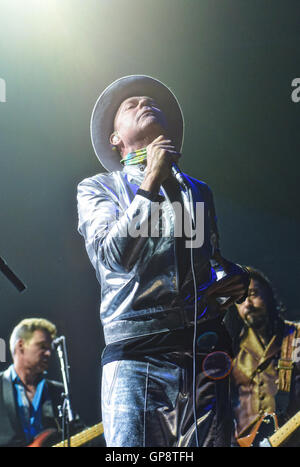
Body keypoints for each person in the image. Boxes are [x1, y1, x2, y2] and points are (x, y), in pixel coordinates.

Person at [77, 75, 249, 447]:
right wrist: (151, 180)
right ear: (115, 139)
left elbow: (207, 260)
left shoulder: (197, 190)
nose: (145, 103)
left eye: (151, 101)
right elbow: (112, 258)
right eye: (131, 104)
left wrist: (231, 277)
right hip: (138, 358)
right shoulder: (98, 188)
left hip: (202, 356)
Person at [228, 267, 300, 447]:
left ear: (269, 296)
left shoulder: (296, 337)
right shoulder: (231, 348)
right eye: (239, 300)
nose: (247, 304)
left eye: (253, 294)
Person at [0, 318, 96, 447]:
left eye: (50, 348)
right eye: (42, 346)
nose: (49, 353)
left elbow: (77, 431)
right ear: (21, 345)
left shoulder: (58, 391)